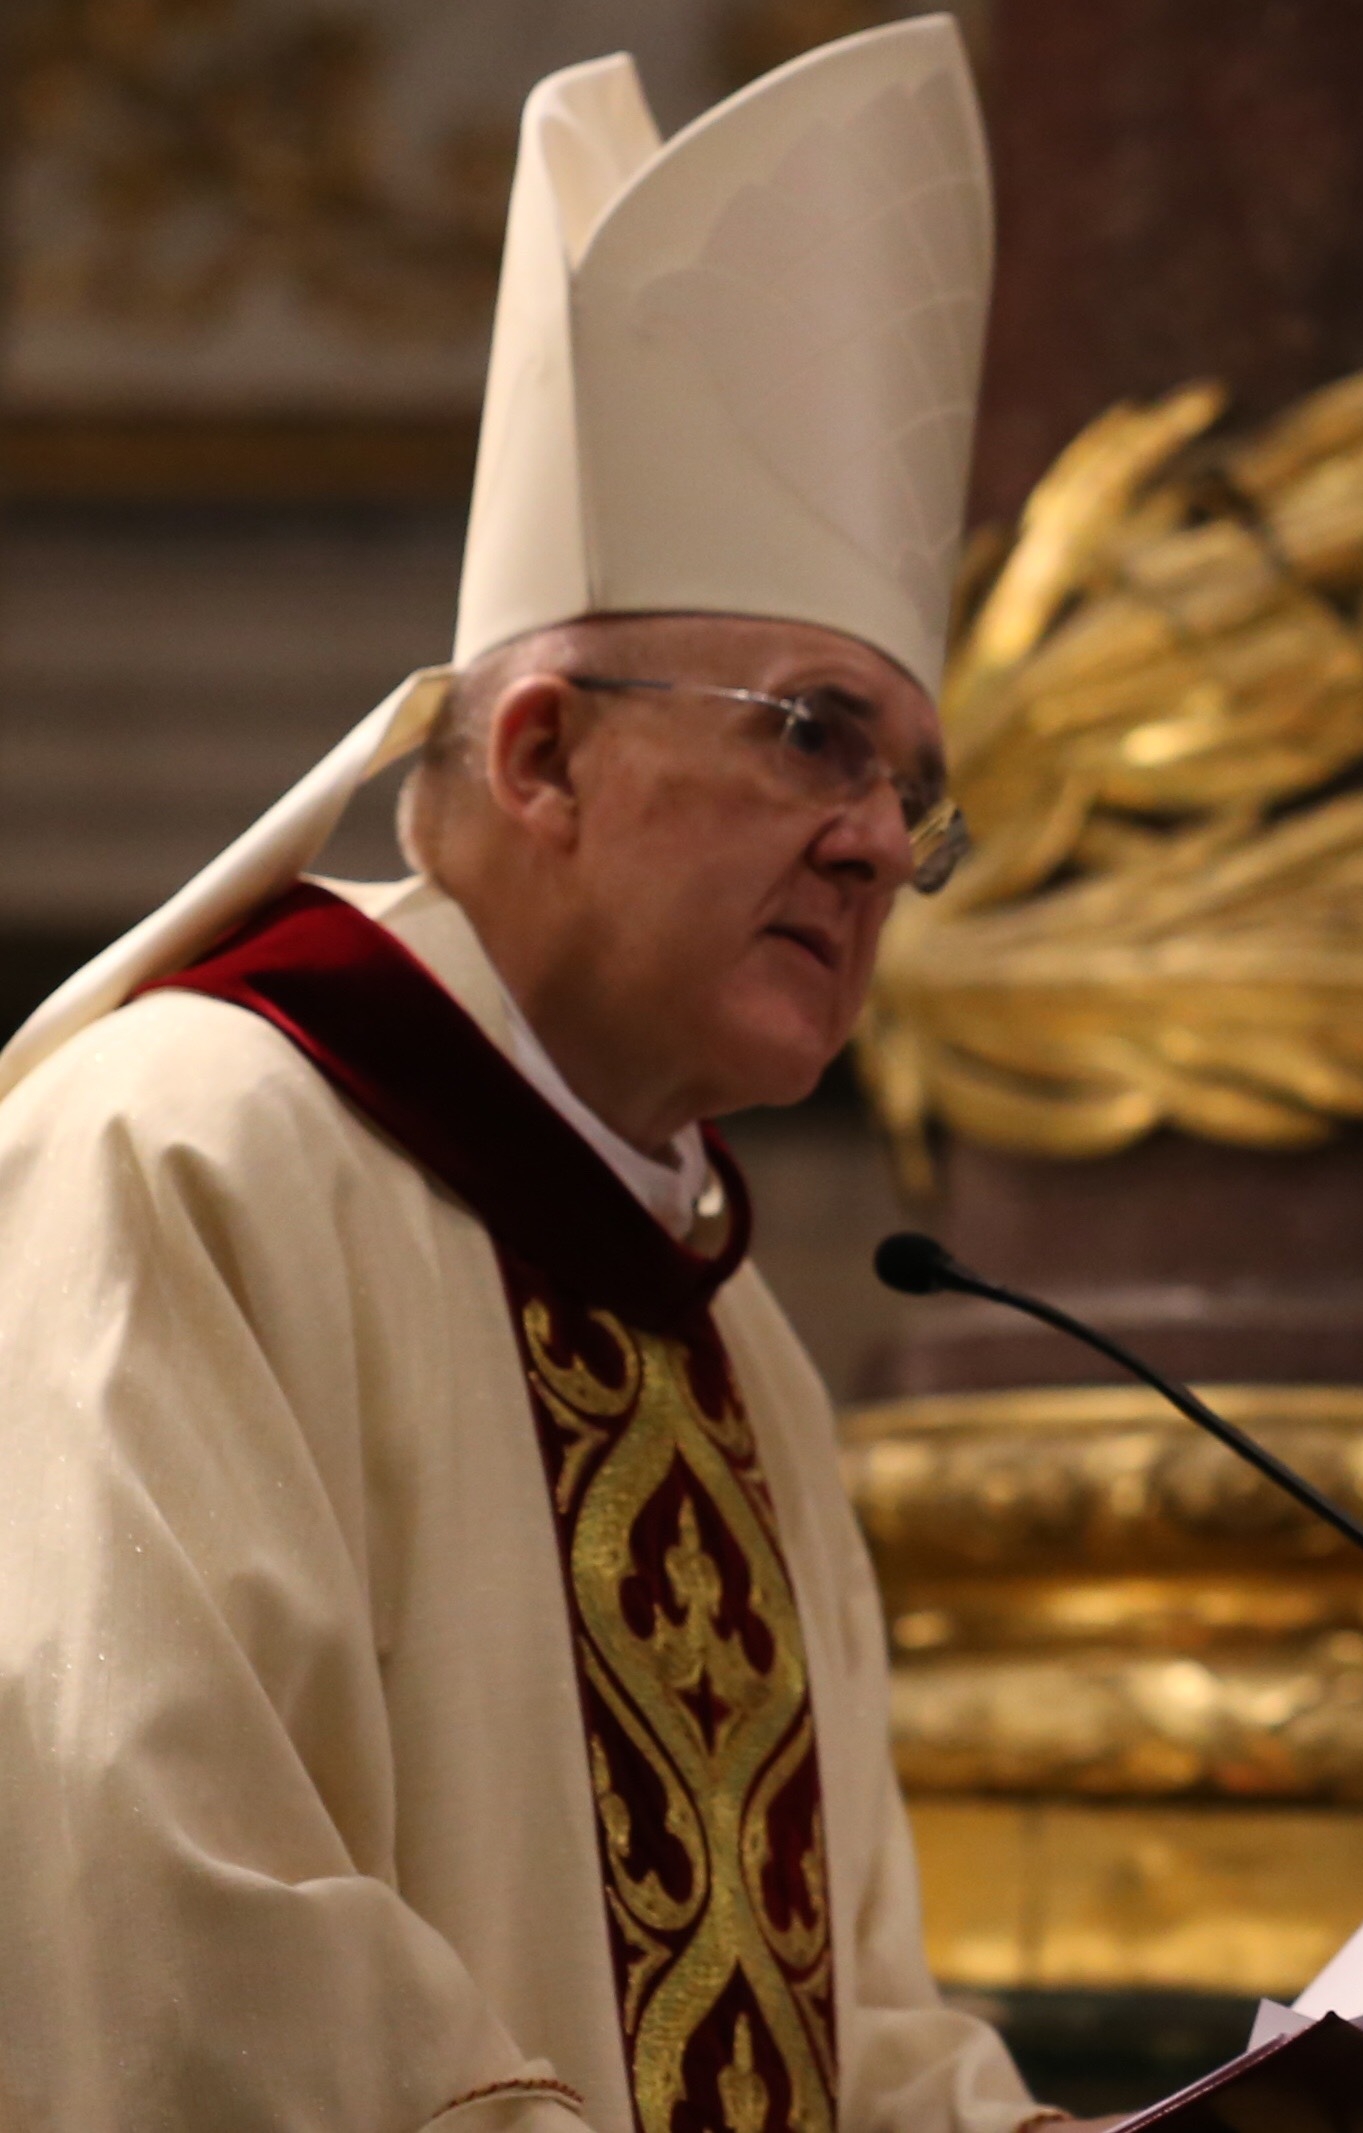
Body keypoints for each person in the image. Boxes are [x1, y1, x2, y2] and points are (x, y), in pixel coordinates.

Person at [0, 19, 1084, 2131]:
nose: (879, 836)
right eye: (812, 734)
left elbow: (846, 2015)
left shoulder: (732, 1336)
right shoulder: (181, 1150)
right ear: (537, 753)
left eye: (916, 792)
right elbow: (145, 1888)